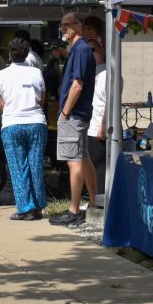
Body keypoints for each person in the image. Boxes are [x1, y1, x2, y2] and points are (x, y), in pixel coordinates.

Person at [49, 12, 99, 226]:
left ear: (78, 26)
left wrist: (65, 112)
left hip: (74, 114)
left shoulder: (80, 50)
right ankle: (94, 203)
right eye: (61, 25)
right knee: (83, 157)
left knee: (74, 161)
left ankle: (74, 209)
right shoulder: (81, 50)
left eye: (66, 25)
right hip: (79, 114)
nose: (62, 28)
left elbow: (77, 84)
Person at [0, 37, 47, 221]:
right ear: (27, 54)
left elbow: (0, 103)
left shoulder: (2, 74)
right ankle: (38, 205)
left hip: (12, 122)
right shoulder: (36, 73)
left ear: (9, 54)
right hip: (36, 121)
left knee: (18, 167)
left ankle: (25, 208)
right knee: (35, 165)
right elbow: (42, 98)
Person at [85, 36, 107, 192]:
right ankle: (94, 199)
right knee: (90, 165)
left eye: (94, 50)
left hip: (98, 126)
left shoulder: (107, 73)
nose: (91, 54)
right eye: (88, 51)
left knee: (99, 166)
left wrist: (104, 125)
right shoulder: (88, 72)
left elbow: (110, 102)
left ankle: (100, 200)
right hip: (88, 125)